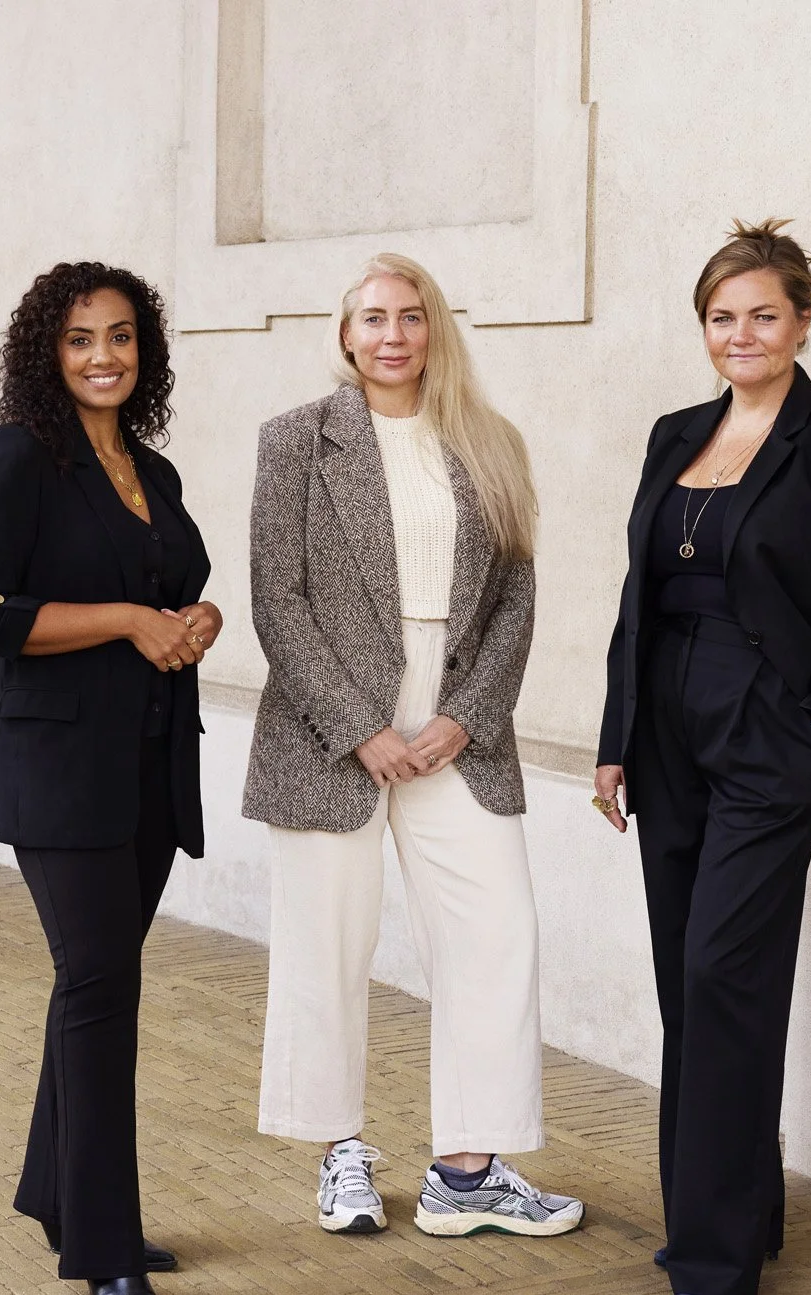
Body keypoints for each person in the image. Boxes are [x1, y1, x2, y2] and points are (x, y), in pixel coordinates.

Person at [593, 219, 811, 1295]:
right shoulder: (672, 431)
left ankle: (714, 1258)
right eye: (721, 317)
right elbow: (637, 597)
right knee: (688, 982)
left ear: (801, 321)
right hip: (665, 729)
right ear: (703, 328)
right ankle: (725, 1207)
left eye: (762, 314)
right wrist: (612, 736)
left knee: (727, 974)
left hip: (765, 726)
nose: (741, 334)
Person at [245, 253, 584, 1242]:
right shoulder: (295, 443)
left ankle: (468, 1169)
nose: (391, 334)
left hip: (455, 725)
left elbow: (515, 594)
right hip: (327, 728)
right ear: (345, 333)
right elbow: (277, 595)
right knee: (326, 942)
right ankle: (338, 1151)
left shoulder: (488, 442)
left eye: (410, 316)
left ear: (434, 328)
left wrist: (464, 714)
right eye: (372, 317)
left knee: (495, 931)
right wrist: (357, 726)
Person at [0, 261, 219, 1295]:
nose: (103, 356)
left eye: (119, 337)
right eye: (78, 339)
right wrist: (122, 617)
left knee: (93, 983)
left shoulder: (147, 464)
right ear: (45, 352)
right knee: (100, 990)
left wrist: (188, 622)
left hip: (151, 765)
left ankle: (62, 1192)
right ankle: (106, 1251)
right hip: (62, 774)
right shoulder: (22, 454)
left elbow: (175, 590)